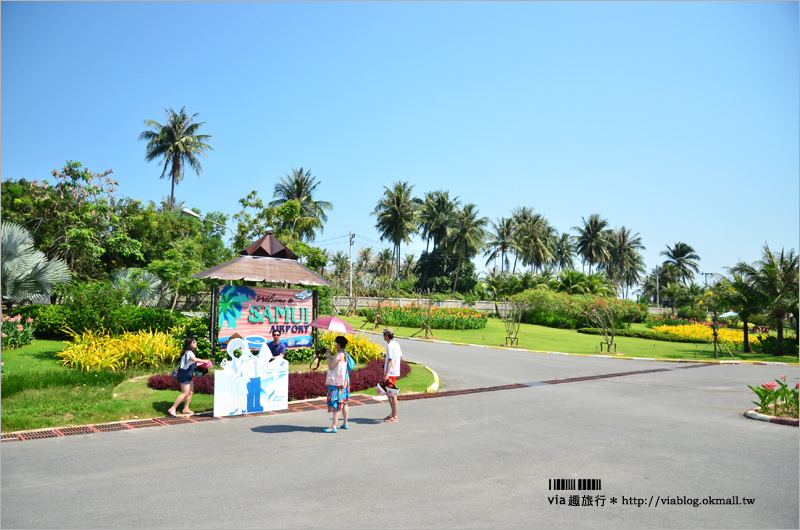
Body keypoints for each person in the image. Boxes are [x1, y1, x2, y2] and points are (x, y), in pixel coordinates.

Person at [168, 337, 211, 417]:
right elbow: (194, 360)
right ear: (189, 344)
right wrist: (204, 361)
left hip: (188, 375)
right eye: (193, 342)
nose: (196, 343)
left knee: (190, 392)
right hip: (184, 374)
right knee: (185, 393)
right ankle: (173, 408)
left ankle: (186, 409)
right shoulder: (189, 353)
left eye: (195, 342)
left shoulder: (189, 352)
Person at [324, 339, 349, 433]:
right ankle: (345, 423)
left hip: (337, 382)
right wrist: (330, 355)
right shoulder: (344, 354)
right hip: (344, 381)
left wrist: (327, 357)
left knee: (337, 403)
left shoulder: (338, 355)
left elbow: (331, 366)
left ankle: (333, 426)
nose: (334, 344)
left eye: (335, 342)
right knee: (344, 402)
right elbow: (337, 362)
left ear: (338, 344)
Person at [382, 328, 403, 422]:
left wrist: (387, 374)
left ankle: (395, 416)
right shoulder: (396, 344)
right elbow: (401, 357)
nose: (383, 336)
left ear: (387, 335)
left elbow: (390, 360)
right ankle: (393, 413)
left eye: (383, 334)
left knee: (392, 394)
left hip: (391, 373)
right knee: (389, 393)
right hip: (394, 372)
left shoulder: (390, 345)